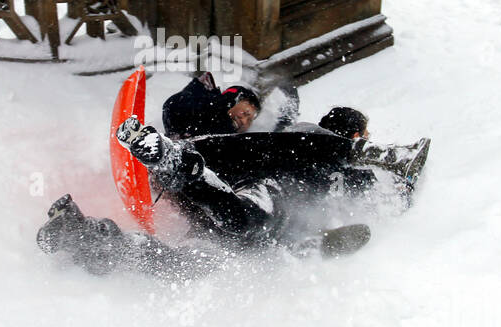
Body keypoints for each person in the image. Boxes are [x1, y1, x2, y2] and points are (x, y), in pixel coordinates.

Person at [37, 113, 430, 276]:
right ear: (354, 133)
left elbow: (239, 149)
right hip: (268, 194)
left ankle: (89, 237)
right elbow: (373, 187)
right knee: (248, 221)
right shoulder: (323, 147)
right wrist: (399, 180)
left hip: (219, 190)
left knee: (189, 265)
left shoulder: (284, 135)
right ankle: (182, 169)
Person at [161, 72, 262, 139]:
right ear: (233, 101)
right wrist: (221, 105)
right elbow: (174, 106)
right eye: (245, 113)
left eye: (249, 121)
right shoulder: (200, 103)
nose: (244, 121)